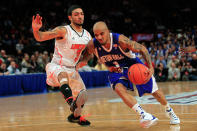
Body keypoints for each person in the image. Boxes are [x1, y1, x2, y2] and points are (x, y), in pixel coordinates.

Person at [77, 21, 180, 128]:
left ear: (108, 31)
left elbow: (142, 49)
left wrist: (150, 67)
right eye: (96, 35)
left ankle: (169, 110)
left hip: (134, 67)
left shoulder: (120, 40)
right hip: (116, 70)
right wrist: (80, 63)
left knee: (155, 92)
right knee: (119, 89)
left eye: (101, 34)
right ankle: (144, 114)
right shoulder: (92, 44)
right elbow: (87, 56)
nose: (99, 37)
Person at [32, 5, 92, 126]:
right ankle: (72, 105)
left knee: (83, 96)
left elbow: (89, 52)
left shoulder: (87, 35)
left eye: (82, 14)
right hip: (57, 66)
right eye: (76, 14)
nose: (80, 16)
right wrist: (35, 29)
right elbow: (40, 37)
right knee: (63, 76)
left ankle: (75, 115)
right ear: (70, 17)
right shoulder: (63, 30)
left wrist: (84, 60)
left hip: (72, 69)